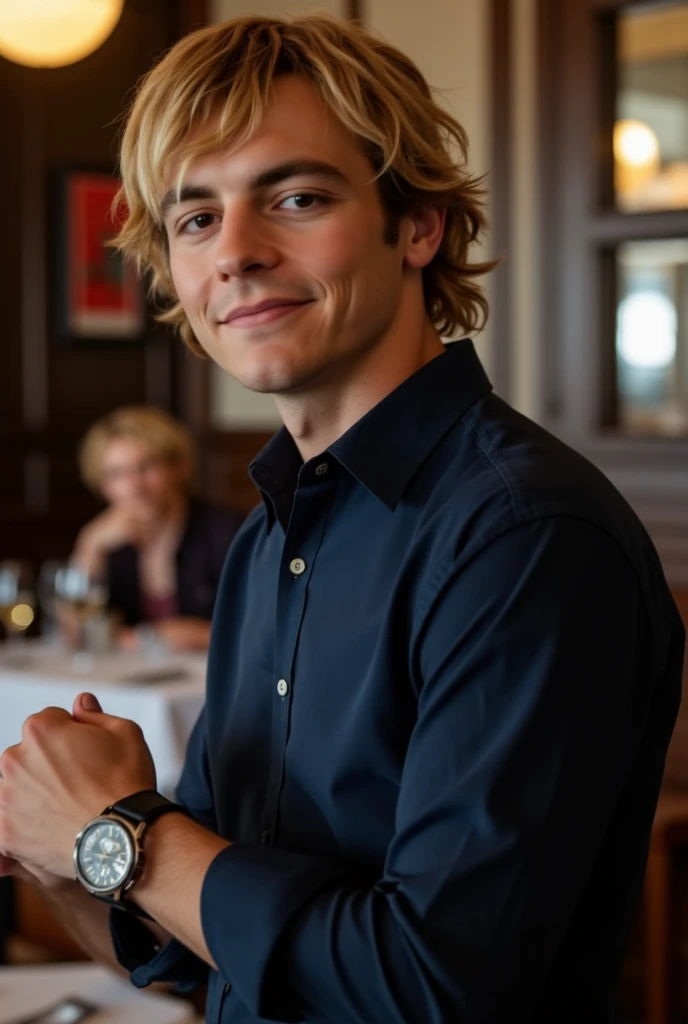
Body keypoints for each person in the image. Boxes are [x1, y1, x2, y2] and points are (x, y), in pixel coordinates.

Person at [0, 14, 683, 1024]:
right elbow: (201, 956)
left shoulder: (525, 534)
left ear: (418, 225)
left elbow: (431, 987)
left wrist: (119, 827)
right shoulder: (267, 536)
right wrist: (57, 847)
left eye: (295, 197)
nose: (234, 251)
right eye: (194, 219)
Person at [71, 406, 243, 651]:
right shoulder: (106, 540)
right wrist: (89, 546)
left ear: (178, 467)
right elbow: (76, 635)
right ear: (103, 486)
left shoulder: (227, 531)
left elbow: (250, 630)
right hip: (130, 683)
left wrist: (142, 637)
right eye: (116, 474)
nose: (134, 486)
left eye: (146, 467)